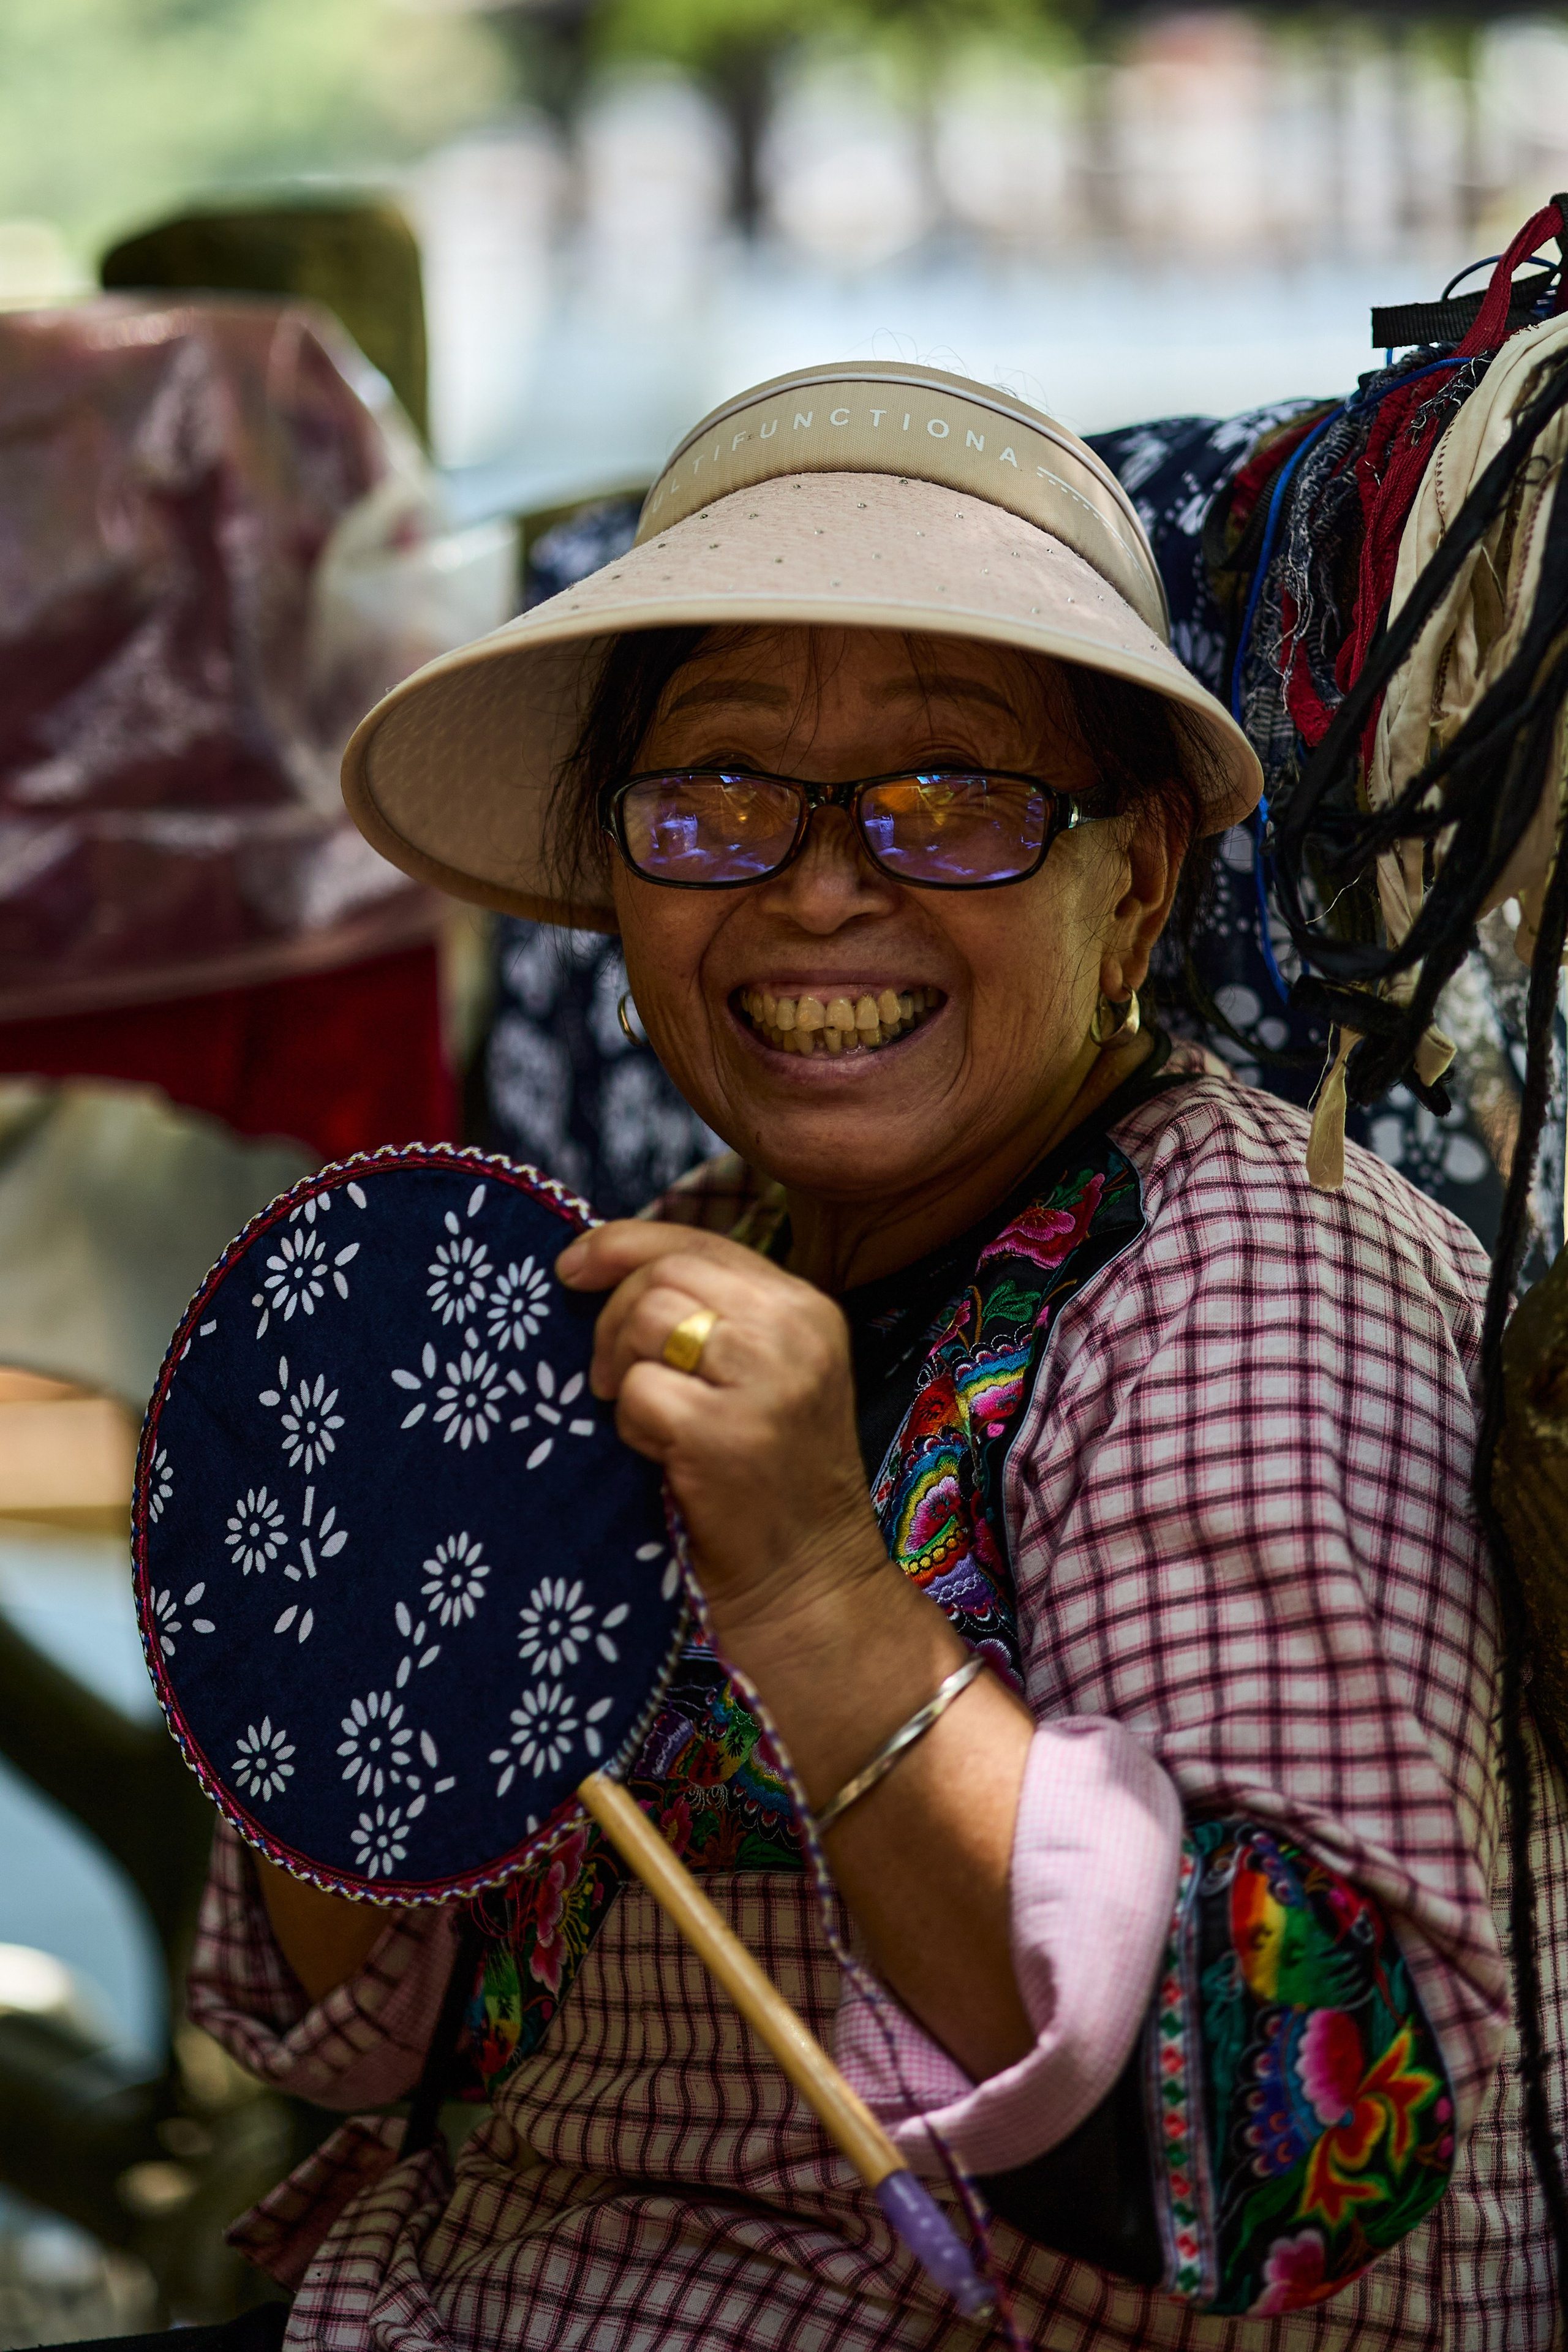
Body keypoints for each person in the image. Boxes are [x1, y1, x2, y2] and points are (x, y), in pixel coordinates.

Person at [188, 364, 1565, 2347]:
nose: (821, 886)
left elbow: (1302, 2136)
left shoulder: (1250, 1280)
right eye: (719, 800)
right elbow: (397, 2024)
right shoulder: (683, 1257)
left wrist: (825, 1591)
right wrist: (333, 1627)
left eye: (953, 801)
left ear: (1140, 878)